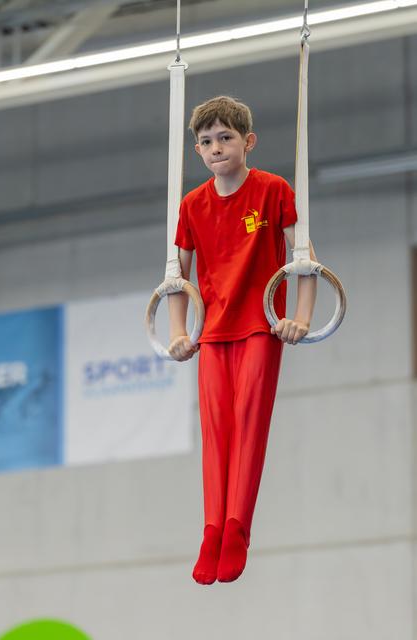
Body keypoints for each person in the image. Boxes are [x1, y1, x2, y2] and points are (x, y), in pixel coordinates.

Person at [168, 96, 317, 585]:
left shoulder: (273, 190)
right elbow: (177, 279)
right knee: (216, 433)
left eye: (226, 138)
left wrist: (299, 318)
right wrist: (178, 332)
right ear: (196, 150)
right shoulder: (192, 205)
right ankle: (211, 528)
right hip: (213, 335)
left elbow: (305, 260)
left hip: (259, 325)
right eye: (207, 142)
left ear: (247, 142)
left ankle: (237, 528)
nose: (217, 148)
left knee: (249, 421)